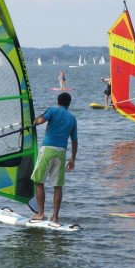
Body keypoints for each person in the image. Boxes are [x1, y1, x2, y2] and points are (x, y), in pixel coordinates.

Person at [31, 92, 78, 223]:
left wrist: (34, 120)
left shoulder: (52, 110)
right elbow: (74, 141)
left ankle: (40, 214)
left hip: (48, 150)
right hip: (61, 152)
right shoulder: (72, 118)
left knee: (39, 181)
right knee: (57, 186)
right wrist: (72, 158)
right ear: (68, 104)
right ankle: (55, 217)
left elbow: (40, 121)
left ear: (58, 101)